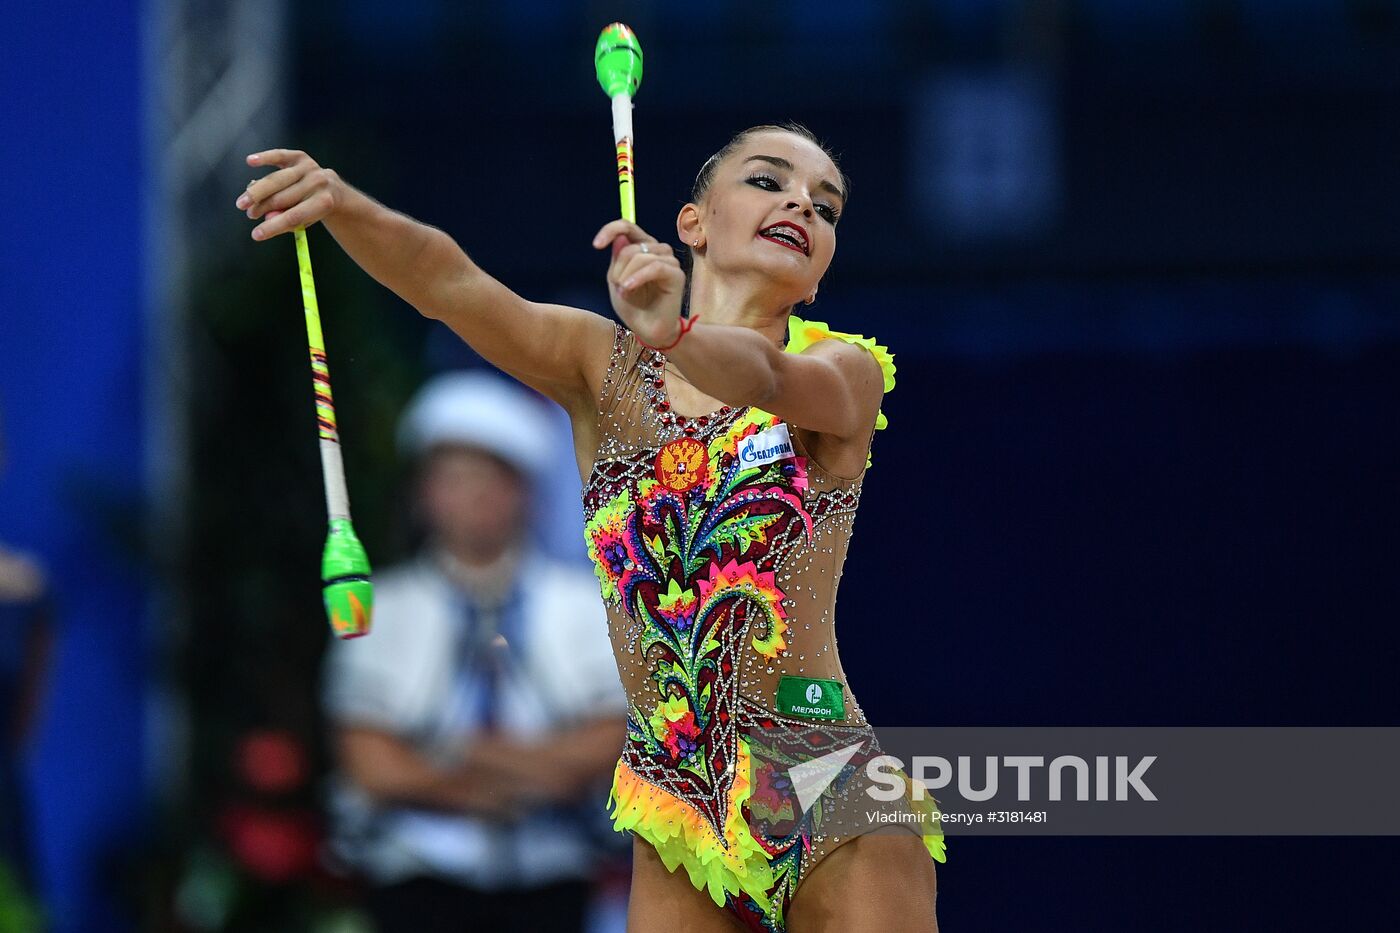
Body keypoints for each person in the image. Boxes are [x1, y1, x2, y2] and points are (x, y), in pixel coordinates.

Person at [241, 120, 943, 932]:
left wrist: (675, 332)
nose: (801, 204)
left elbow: (762, 372)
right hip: (678, 799)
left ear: (819, 271)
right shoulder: (601, 371)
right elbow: (451, 284)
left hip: (816, 771)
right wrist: (343, 206)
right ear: (692, 224)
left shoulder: (841, 373)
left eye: (826, 206)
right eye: (767, 179)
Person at [321, 370, 627, 933]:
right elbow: (369, 762)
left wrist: (470, 757)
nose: (474, 498)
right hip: (418, 878)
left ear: (524, 493)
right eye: (453, 480)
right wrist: (509, 782)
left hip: (552, 878)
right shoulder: (381, 608)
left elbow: (611, 740)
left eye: (492, 480)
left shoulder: (583, 604)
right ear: (423, 494)